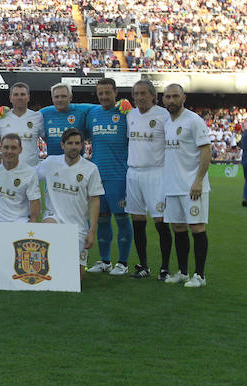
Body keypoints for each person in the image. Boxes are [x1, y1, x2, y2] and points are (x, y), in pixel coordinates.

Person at [161, 84, 212, 287]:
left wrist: (199, 180)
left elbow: (206, 150)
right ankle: (183, 272)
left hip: (192, 186)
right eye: (167, 97)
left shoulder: (193, 121)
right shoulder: (167, 122)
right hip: (172, 185)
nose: (171, 100)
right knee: (178, 229)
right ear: (163, 99)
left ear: (184, 98)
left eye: (175, 96)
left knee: (197, 228)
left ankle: (199, 275)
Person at [36, 128, 104, 279]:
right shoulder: (50, 162)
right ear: (62, 145)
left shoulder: (91, 169)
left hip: (77, 226)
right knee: (48, 227)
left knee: (76, 277)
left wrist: (92, 231)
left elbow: (94, 201)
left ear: (82, 145)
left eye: (77, 143)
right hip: (53, 217)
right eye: (70, 143)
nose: (74, 147)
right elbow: (29, 177)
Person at [85, 78, 133, 276]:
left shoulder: (126, 113)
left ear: (116, 93)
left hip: (118, 176)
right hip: (97, 176)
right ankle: (105, 261)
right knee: (102, 220)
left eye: (107, 92)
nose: (104, 97)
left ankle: (122, 262)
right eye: (100, 93)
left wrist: (130, 106)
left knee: (121, 218)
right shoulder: (92, 114)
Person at [125, 80, 172, 279]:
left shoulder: (163, 115)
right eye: (136, 93)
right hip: (133, 173)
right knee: (137, 220)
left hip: (156, 173)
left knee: (160, 221)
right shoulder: (131, 115)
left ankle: (165, 267)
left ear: (153, 95)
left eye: (144, 93)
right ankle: (143, 266)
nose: (140, 97)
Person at [0, 133, 41, 223]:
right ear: (0, 148)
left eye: (13, 148)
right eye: (6, 147)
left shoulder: (29, 172)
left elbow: (34, 201)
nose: (9, 151)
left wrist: (33, 221)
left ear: (20, 150)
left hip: (19, 221)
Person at [0, 82, 44, 167]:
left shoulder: (37, 117)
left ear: (28, 97)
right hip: (7, 171)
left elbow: (47, 139)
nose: (19, 97)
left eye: (23, 94)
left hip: (31, 171)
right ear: (10, 98)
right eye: (16, 94)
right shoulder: (1, 118)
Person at [39, 83, 93, 157]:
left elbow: (101, 108)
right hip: (53, 164)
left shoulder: (82, 110)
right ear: (52, 98)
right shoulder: (43, 113)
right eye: (56, 97)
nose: (60, 100)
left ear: (70, 97)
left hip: (75, 164)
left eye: (63, 96)